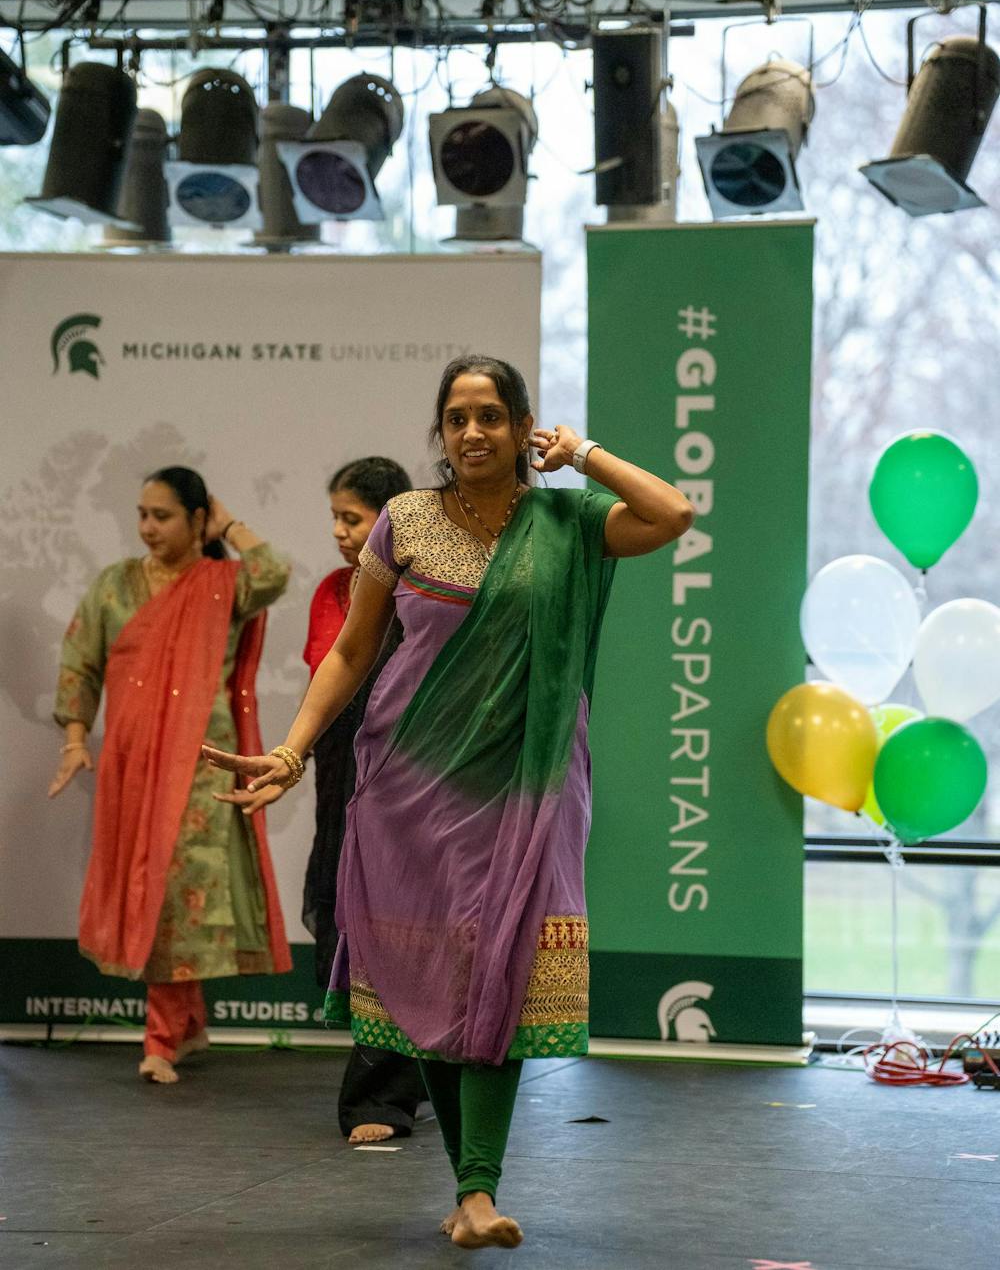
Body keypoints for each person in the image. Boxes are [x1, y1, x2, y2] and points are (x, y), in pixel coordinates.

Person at [204, 356, 693, 1249]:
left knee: (498, 974)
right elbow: (352, 652)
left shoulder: (567, 518)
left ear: (522, 428)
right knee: (427, 982)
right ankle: (472, 1198)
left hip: (528, 791)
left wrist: (582, 453)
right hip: (408, 786)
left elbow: (673, 513)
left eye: (494, 417)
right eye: (458, 417)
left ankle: (477, 1188)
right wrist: (292, 747)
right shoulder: (406, 522)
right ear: (440, 431)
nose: (474, 432)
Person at [49, 466, 292, 1085]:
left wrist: (230, 522)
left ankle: (161, 1036)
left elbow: (275, 571)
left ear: (195, 520)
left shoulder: (224, 584)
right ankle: (188, 1026)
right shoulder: (114, 586)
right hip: (134, 767)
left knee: (175, 896)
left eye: (162, 516)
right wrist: (76, 740)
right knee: (155, 892)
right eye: (142, 515)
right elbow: (81, 663)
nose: (147, 527)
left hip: (199, 762)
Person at [301, 457, 426, 1144]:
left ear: (390, 519)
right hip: (338, 768)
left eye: (351, 518)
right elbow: (333, 667)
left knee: (397, 923)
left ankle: (382, 1096)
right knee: (347, 912)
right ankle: (409, 1075)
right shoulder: (332, 588)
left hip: (402, 765)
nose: (340, 533)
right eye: (335, 518)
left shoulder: (421, 589)